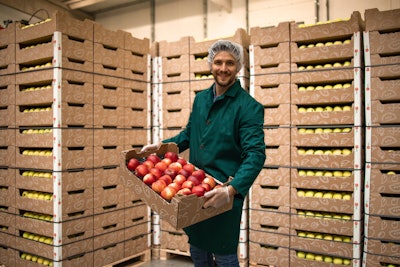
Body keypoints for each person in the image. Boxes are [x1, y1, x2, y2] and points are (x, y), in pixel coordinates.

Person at [142, 40, 266, 266]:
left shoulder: (248, 107)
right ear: (211, 65)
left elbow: (256, 154)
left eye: (230, 63)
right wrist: (162, 146)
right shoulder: (201, 99)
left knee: (224, 254)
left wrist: (231, 190)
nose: (223, 68)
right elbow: (189, 134)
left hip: (222, 193)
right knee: (197, 250)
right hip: (192, 189)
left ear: (238, 67)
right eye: (218, 62)